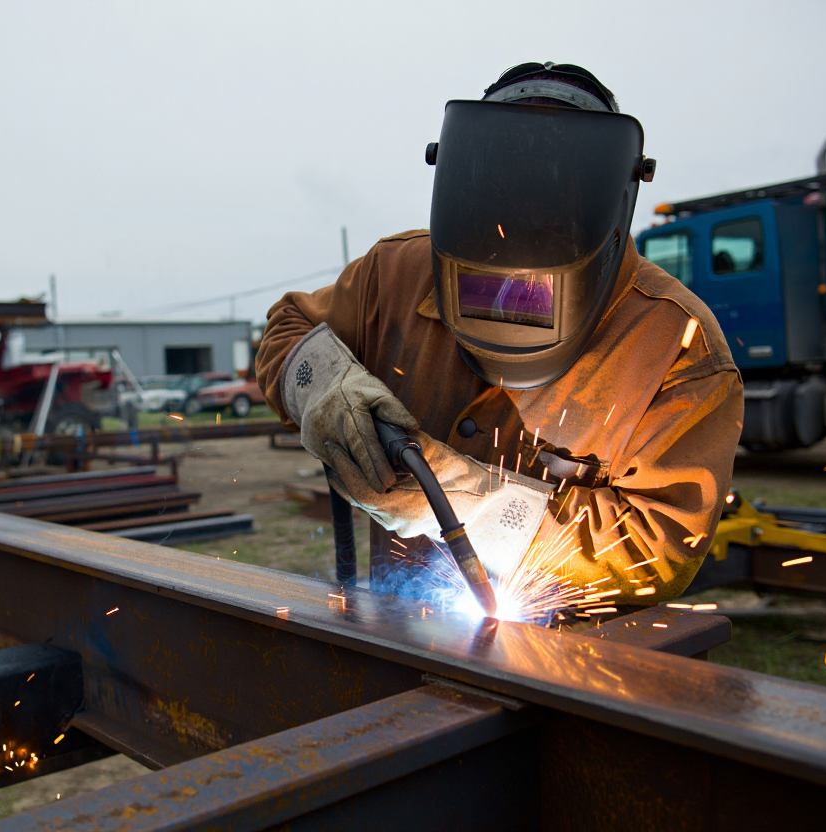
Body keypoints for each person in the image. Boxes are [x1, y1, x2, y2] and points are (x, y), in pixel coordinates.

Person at [254, 62, 742, 608]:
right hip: (395, 633)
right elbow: (287, 329)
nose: (509, 303)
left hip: (570, 665)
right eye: (480, 285)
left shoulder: (678, 347)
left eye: (536, 295)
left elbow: (663, 549)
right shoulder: (393, 272)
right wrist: (324, 386)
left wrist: (479, 505)